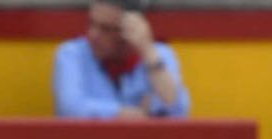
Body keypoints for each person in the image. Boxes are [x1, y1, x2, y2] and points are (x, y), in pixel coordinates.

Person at [53, 0, 188, 119]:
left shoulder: (159, 54)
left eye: (106, 29)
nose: (92, 35)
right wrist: (133, 114)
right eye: (91, 23)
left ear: (130, 31)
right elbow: (70, 109)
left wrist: (148, 51)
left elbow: (177, 110)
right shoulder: (72, 54)